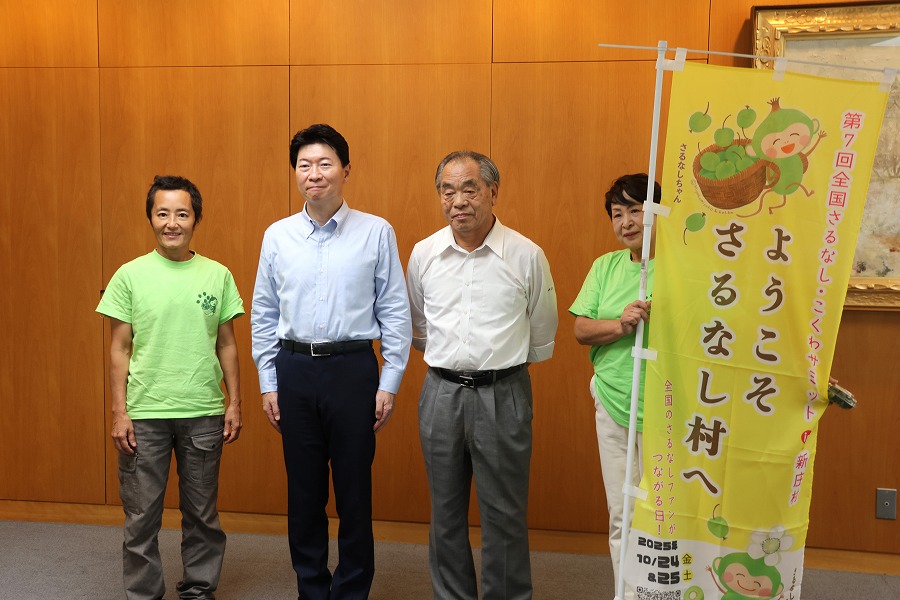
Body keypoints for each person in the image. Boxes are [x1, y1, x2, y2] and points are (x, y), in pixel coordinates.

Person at [250, 124, 411, 600]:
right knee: (304, 494)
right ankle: (312, 589)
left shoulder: (376, 231)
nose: (314, 173)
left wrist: (389, 382)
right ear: (295, 173)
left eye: (324, 163)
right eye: (304, 165)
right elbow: (264, 313)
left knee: (354, 492)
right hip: (294, 370)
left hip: (352, 371)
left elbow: (395, 310)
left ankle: (352, 591)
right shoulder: (277, 236)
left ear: (345, 170)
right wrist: (268, 381)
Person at [406, 150, 559, 600]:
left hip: (504, 392)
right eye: (448, 191)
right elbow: (419, 327)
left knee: (504, 514)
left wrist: (499, 369)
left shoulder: (526, 255)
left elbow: (541, 331)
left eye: (470, 189)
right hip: (440, 394)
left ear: (493, 191)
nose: (459, 201)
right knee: (445, 512)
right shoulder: (424, 254)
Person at [97, 175, 244, 600]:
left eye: (182, 213)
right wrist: (119, 412)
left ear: (196, 218)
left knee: (202, 514)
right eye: (163, 213)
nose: (172, 223)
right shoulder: (129, 275)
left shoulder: (217, 274)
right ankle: (144, 595)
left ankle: (199, 591)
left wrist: (234, 403)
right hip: (144, 414)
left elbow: (227, 344)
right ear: (151, 218)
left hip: (203, 411)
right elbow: (119, 348)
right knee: (141, 516)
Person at [569, 173, 660, 600]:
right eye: (617, 214)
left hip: (668, 408)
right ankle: (626, 594)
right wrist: (621, 325)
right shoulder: (605, 266)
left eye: (635, 211)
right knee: (623, 514)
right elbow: (581, 330)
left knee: (665, 515)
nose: (626, 222)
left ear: (658, 213)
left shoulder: (686, 269)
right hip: (613, 401)